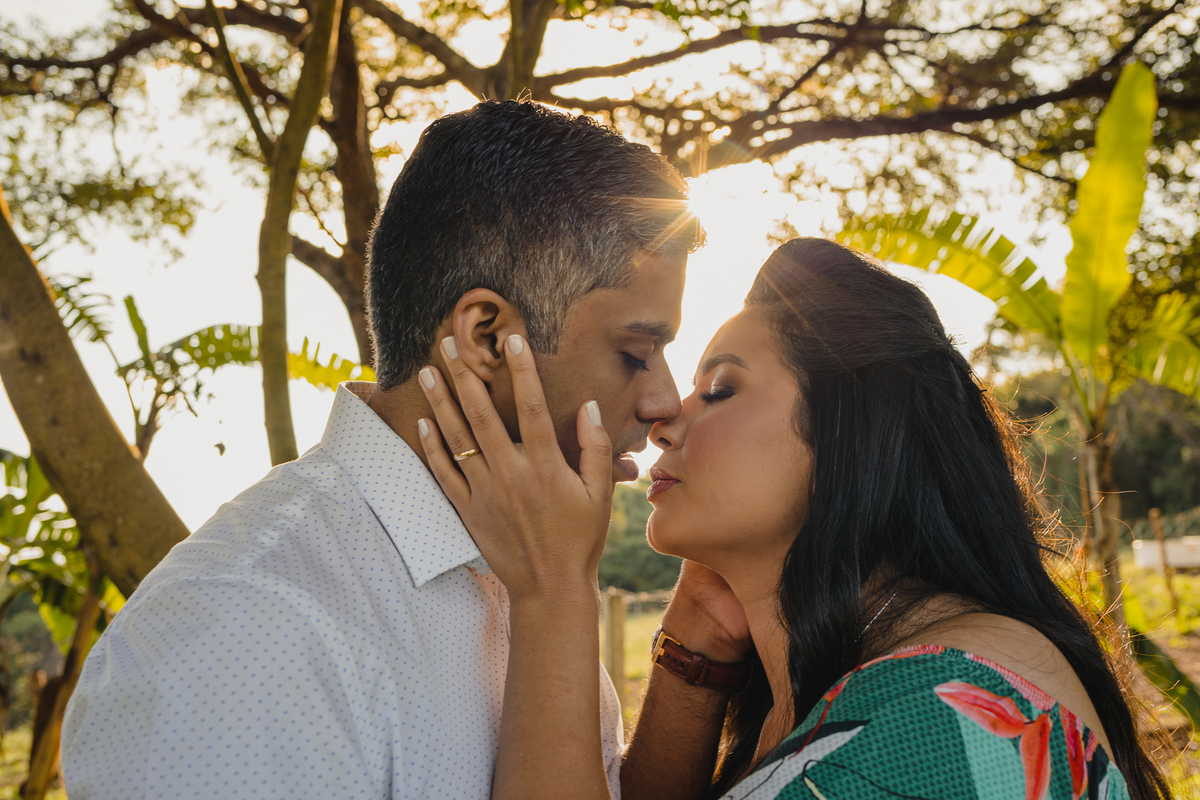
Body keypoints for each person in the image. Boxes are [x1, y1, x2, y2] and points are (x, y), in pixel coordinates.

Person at [61, 100, 721, 799]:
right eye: (635, 353)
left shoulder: (529, 569)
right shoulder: (241, 632)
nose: (663, 402)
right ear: (487, 338)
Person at [415, 238, 1170, 799]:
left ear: (849, 432)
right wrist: (693, 661)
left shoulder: (949, 716)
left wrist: (552, 590)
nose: (662, 417)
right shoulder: (841, 682)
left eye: (719, 388)